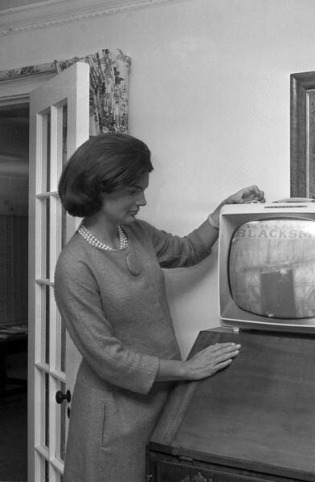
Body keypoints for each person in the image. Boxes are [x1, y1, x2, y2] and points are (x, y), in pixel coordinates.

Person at [54, 132, 265, 482]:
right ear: (101, 188)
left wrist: (221, 212)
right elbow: (108, 358)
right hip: (114, 416)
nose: (144, 200)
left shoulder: (136, 232)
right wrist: (187, 369)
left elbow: (187, 250)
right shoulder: (74, 266)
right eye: (135, 190)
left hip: (161, 398)